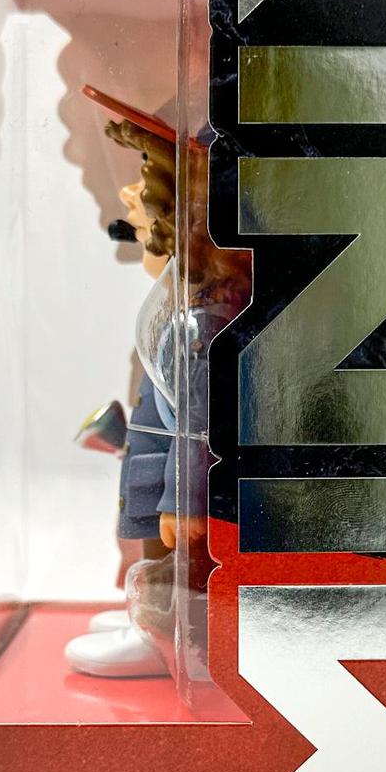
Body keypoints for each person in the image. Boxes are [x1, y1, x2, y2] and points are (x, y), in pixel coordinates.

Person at [64, 87, 248, 677]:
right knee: (157, 559)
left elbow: (200, 424)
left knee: (182, 572)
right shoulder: (181, 302)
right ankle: (148, 622)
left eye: (147, 172)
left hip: (188, 494)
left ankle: (171, 644)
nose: (130, 195)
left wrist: (184, 501)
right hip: (157, 476)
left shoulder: (208, 320)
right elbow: (163, 402)